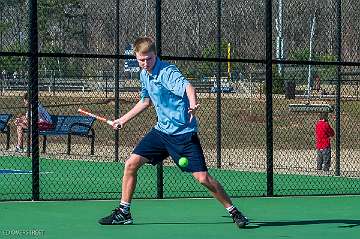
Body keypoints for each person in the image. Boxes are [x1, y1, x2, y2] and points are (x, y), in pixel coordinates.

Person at [98, 36, 249, 228]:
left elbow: (188, 87)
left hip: (183, 134)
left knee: (203, 178)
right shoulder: (144, 74)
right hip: (161, 133)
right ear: (136, 57)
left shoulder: (167, 72)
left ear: (155, 55)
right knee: (131, 164)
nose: (145, 63)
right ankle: (124, 212)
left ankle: (234, 211)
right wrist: (122, 120)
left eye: (149, 59)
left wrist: (193, 104)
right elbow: (145, 101)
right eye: (141, 60)